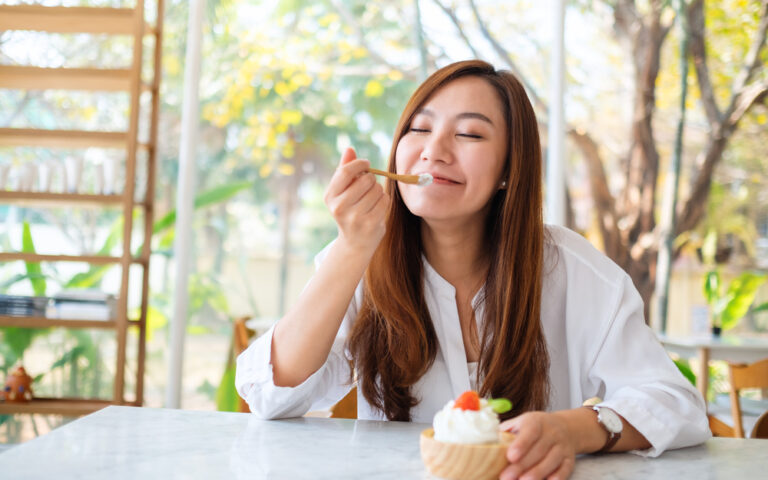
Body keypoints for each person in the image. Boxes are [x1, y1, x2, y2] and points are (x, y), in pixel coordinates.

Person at [236, 60, 710, 479]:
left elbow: (677, 404)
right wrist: (349, 249)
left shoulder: (571, 269)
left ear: (509, 168)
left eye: (469, 134)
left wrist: (573, 429)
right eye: (418, 129)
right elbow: (270, 395)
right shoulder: (358, 259)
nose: (434, 150)